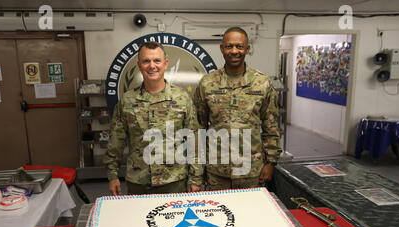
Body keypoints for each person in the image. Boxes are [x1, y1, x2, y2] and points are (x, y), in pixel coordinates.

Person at [104, 41, 203, 195]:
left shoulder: (182, 98)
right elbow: (116, 141)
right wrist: (112, 175)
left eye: (157, 60)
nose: (152, 66)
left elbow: (194, 141)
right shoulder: (127, 100)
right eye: (146, 61)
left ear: (165, 64)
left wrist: (196, 178)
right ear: (139, 65)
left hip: (174, 181)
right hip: (139, 182)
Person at [193, 27, 282, 190]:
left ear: (247, 49)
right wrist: (199, 169)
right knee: (218, 214)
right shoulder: (207, 83)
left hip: (252, 171)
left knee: (250, 214)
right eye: (229, 46)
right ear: (222, 48)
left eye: (240, 46)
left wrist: (270, 163)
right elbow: (198, 128)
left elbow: (271, 127)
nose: (234, 51)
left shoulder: (262, 83)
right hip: (216, 171)